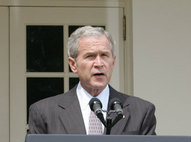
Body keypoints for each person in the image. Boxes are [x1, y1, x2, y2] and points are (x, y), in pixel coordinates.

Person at [28, 26, 156, 135]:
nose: (99, 63)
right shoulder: (44, 112)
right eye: (90, 56)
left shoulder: (141, 111)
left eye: (104, 55)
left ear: (113, 62)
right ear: (73, 65)